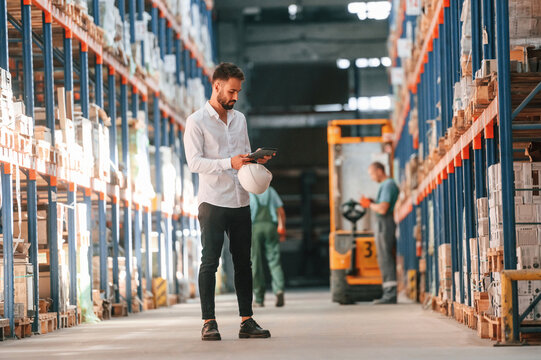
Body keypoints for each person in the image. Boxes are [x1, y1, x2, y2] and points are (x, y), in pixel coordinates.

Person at [184, 62, 273, 341]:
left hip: (240, 199)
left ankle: (247, 320)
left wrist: (254, 159)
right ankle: (208, 322)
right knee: (209, 262)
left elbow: (242, 155)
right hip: (212, 201)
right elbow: (194, 163)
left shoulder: (240, 120)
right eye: (231, 91)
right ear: (217, 86)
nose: (235, 97)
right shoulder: (196, 121)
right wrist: (228, 163)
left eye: (238, 92)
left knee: (243, 263)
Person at [360, 162, 399, 305]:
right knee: (383, 257)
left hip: (385, 223)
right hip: (384, 223)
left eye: (371, 173)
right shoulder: (387, 185)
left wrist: (368, 205)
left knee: (385, 257)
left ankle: (390, 294)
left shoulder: (388, 185)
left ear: (379, 171)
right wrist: (372, 202)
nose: (371, 177)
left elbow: (383, 209)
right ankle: (388, 293)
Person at [250, 186, 287, 308]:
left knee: (255, 263)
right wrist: (282, 228)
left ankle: (259, 299)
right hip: (271, 226)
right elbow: (280, 211)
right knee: (274, 261)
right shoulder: (270, 191)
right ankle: (279, 290)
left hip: (254, 228)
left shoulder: (248, 191)